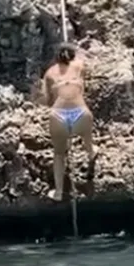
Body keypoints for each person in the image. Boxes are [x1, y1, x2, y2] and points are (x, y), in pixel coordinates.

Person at [34, 42, 96, 202]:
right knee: (87, 140)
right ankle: (91, 154)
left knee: (59, 154)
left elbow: (47, 101)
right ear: (73, 55)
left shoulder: (49, 73)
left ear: (56, 57)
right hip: (81, 114)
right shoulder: (79, 66)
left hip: (59, 116)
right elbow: (82, 84)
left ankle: (59, 192)